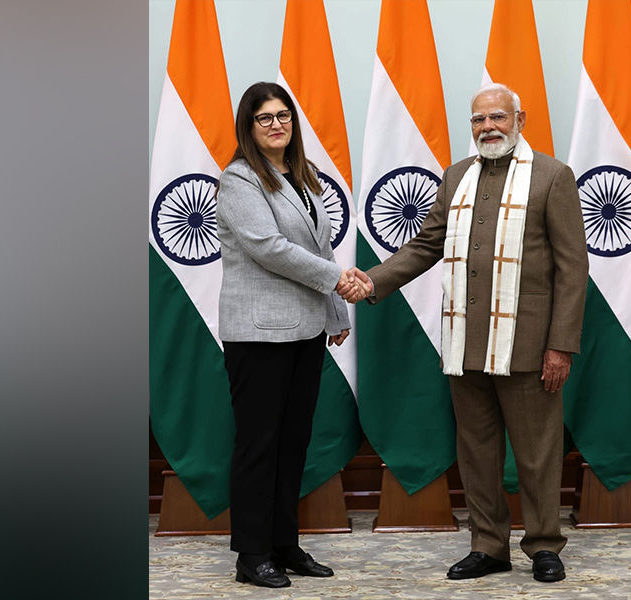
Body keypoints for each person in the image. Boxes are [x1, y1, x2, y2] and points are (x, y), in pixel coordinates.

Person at [348, 83, 587, 582]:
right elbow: (426, 245)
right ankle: (488, 546)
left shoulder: (552, 177)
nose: (488, 127)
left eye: (498, 117)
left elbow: (572, 269)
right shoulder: (457, 175)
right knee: (476, 453)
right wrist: (374, 280)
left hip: (528, 345)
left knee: (538, 454)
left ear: (521, 120)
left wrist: (561, 345)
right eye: (479, 120)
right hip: (463, 342)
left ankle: (544, 545)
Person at [214, 82, 369, 589]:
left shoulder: (304, 178)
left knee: (292, 441)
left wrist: (336, 314)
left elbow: (319, 249)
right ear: (249, 127)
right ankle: (251, 554)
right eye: (265, 118)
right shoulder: (239, 179)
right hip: (258, 336)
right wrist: (339, 282)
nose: (277, 124)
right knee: (259, 444)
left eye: (284, 115)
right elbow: (268, 247)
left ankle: (284, 544)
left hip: (304, 333)